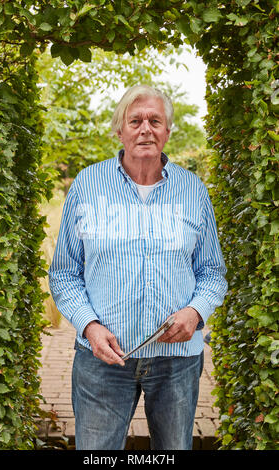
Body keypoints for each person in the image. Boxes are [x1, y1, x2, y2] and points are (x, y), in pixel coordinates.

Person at [48, 84, 227, 450]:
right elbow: (65, 273)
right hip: (103, 361)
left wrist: (195, 312)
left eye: (155, 120)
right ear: (120, 130)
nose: (146, 128)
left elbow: (212, 271)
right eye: (136, 120)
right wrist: (90, 327)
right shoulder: (87, 185)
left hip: (177, 362)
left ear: (168, 131)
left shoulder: (193, 190)